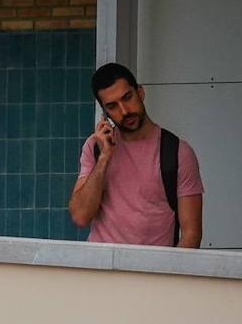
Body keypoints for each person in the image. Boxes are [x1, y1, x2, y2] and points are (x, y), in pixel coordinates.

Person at [68, 62, 204, 248]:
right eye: (112, 106)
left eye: (127, 97)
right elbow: (80, 216)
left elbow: (192, 234)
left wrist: (167, 276)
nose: (124, 111)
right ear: (105, 113)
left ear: (140, 92)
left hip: (152, 271)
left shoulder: (178, 152)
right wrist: (104, 159)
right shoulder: (96, 147)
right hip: (100, 270)